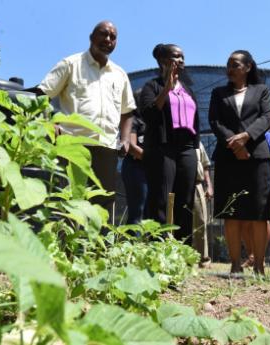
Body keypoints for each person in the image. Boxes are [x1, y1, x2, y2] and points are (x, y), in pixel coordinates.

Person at [37, 21, 136, 220]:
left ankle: (97, 251)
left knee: (102, 205)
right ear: (91, 37)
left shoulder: (120, 74)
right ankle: (66, 250)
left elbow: (127, 111)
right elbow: (41, 96)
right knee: (69, 202)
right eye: (103, 34)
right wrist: (50, 123)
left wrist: (125, 139)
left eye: (113, 37)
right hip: (73, 145)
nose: (108, 39)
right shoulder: (70, 64)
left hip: (107, 148)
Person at [209, 50, 270, 275]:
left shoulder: (261, 90)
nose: (230, 68)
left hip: (257, 156)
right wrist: (234, 144)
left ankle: (259, 265)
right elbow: (215, 121)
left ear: (247, 67)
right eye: (228, 64)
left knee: (259, 212)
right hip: (228, 157)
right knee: (231, 212)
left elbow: (267, 118)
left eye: (235, 64)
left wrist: (245, 137)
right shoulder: (218, 93)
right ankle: (235, 264)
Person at [139, 43, 200, 244]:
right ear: (163, 61)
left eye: (182, 57)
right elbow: (148, 114)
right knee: (161, 199)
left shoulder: (188, 90)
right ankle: (157, 247)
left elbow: (196, 120)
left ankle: (184, 250)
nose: (181, 60)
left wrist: (195, 148)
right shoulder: (151, 86)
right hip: (162, 148)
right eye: (176, 56)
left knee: (186, 201)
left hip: (187, 149)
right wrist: (166, 88)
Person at [241, 130, 270, 268]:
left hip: (263, 182)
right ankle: (251, 255)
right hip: (244, 181)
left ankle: (260, 257)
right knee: (244, 221)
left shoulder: (269, 137)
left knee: (263, 219)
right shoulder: (242, 134)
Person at [121, 88, 147, 225]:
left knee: (149, 213)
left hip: (148, 170)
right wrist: (151, 159)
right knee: (138, 211)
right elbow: (131, 146)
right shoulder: (133, 120)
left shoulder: (149, 120)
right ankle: (131, 244)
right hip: (135, 169)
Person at [192, 141, 214, 268]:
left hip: (197, 184)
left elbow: (205, 165)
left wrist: (209, 185)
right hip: (179, 184)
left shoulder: (198, 142)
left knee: (201, 222)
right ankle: (183, 258)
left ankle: (203, 259)